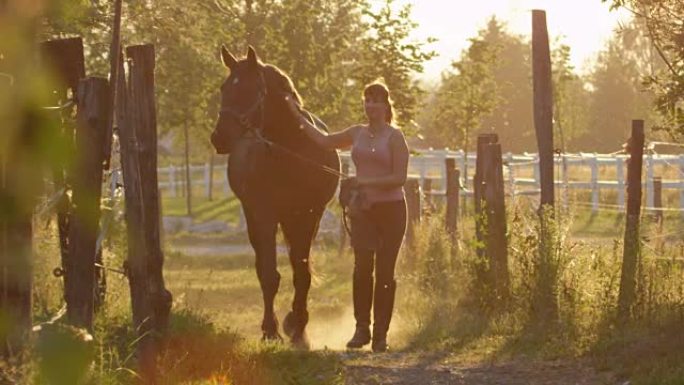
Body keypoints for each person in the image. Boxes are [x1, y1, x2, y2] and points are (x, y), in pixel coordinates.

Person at [284, 81, 409, 352]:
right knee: (362, 269)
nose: (371, 106)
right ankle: (361, 329)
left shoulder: (395, 137)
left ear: (386, 105)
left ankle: (381, 335)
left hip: (392, 211)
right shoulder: (357, 133)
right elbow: (325, 141)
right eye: (367, 100)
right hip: (362, 210)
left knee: (385, 272)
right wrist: (297, 117)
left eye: (376, 101)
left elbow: (400, 177)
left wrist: (362, 182)